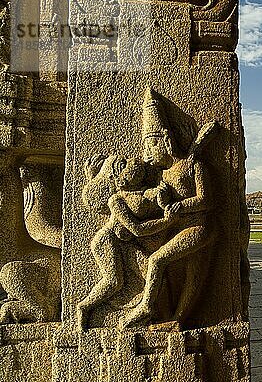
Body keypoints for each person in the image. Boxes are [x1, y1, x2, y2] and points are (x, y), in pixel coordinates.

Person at [121, 89, 219, 328]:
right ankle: (177, 320)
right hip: (179, 227)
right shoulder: (163, 174)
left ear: (165, 140)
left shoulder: (194, 165)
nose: (147, 154)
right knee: (192, 276)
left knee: (157, 261)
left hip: (199, 227)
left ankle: (146, 306)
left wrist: (180, 206)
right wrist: (163, 202)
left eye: (150, 146)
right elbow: (159, 202)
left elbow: (206, 199)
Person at [76, 155, 176, 330]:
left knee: (152, 275)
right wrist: (167, 221)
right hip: (107, 241)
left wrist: (162, 195)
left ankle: (160, 317)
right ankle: (84, 307)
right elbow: (136, 229)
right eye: (123, 165)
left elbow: (153, 197)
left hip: (126, 244)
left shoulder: (142, 191)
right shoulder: (116, 200)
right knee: (114, 281)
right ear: (118, 178)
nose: (132, 163)